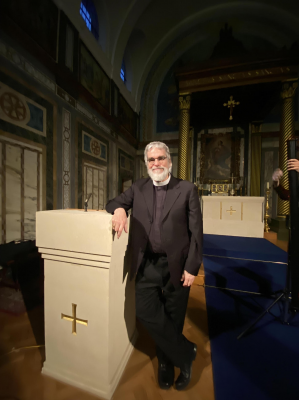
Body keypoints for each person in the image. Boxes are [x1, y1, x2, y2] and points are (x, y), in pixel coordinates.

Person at [106, 141, 203, 391]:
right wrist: (118, 209)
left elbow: (197, 233)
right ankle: (185, 353)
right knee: (146, 311)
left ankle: (166, 363)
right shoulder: (138, 187)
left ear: (169, 161)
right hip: (146, 262)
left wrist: (192, 267)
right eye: (151, 160)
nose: (156, 163)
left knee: (174, 315)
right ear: (146, 163)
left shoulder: (187, 189)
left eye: (160, 158)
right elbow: (112, 202)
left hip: (177, 264)